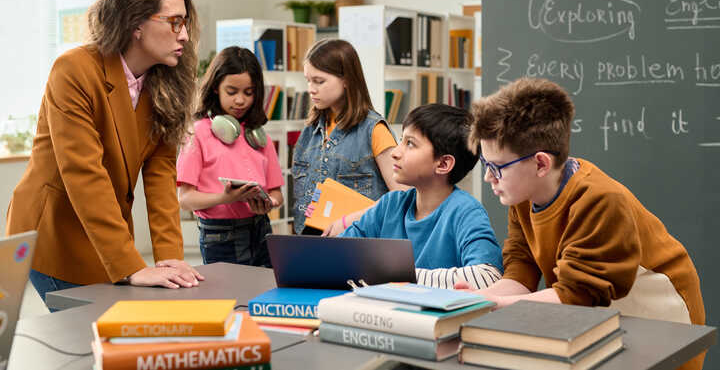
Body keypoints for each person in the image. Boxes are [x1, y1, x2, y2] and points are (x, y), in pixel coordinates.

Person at [461, 77, 705, 370]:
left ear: (540, 163)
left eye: (497, 168)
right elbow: (520, 274)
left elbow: (576, 296)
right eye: (486, 166)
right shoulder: (521, 198)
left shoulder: (600, 199)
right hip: (600, 314)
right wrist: (474, 300)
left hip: (663, 317)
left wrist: (494, 306)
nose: (489, 178)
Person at [6, 0, 204, 308]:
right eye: (175, 22)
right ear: (135, 24)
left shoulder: (162, 83)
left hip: (105, 232)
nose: (184, 35)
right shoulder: (74, 70)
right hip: (55, 232)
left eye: (185, 22)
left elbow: (160, 176)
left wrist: (171, 258)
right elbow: (84, 175)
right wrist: (131, 266)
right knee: (85, 341)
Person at [339, 104, 503, 289]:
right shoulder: (390, 205)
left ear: (443, 164)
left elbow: (488, 276)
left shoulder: (466, 211)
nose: (395, 152)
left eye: (410, 143)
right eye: (401, 140)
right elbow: (337, 256)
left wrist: (398, 276)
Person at [177, 46, 284, 267]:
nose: (240, 101)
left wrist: (269, 203)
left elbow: (277, 193)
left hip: (261, 228)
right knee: (231, 299)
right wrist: (225, 198)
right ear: (216, 87)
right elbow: (185, 200)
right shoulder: (198, 133)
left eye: (249, 92)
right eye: (232, 91)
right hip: (220, 235)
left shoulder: (257, 134)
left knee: (265, 293)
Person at [292, 39, 406, 235]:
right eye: (308, 80)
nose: (311, 89)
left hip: (359, 243)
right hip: (312, 243)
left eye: (319, 81)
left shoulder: (374, 130)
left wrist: (348, 221)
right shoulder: (309, 132)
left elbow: (402, 196)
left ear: (346, 80)